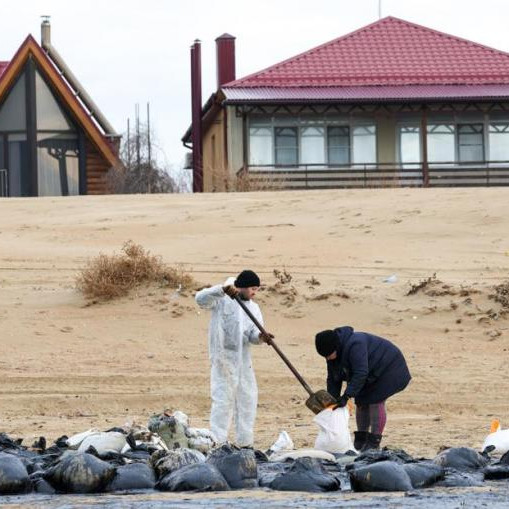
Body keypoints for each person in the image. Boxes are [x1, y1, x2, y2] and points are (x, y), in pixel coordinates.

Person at [195, 269, 272, 448]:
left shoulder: (253, 307)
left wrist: (261, 337)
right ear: (242, 287)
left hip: (244, 361)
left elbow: (252, 334)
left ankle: (245, 443)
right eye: (252, 288)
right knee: (223, 400)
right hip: (223, 359)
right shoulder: (222, 299)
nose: (254, 293)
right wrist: (222, 290)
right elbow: (200, 299)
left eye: (257, 289)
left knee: (247, 398)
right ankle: (218, 442)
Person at [315, 326, 411, 452]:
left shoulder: (355, 344)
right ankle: (361, 440)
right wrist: (332, 400)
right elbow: (334, 378)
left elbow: (360, 372)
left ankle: (374, 442)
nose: (327, 359)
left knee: (375, 401)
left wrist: (347, 395)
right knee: (361, 402)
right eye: (325, 357)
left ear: (336, 347)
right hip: (370, 372)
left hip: (390, 368)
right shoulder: (332, 353)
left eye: (328, 355)